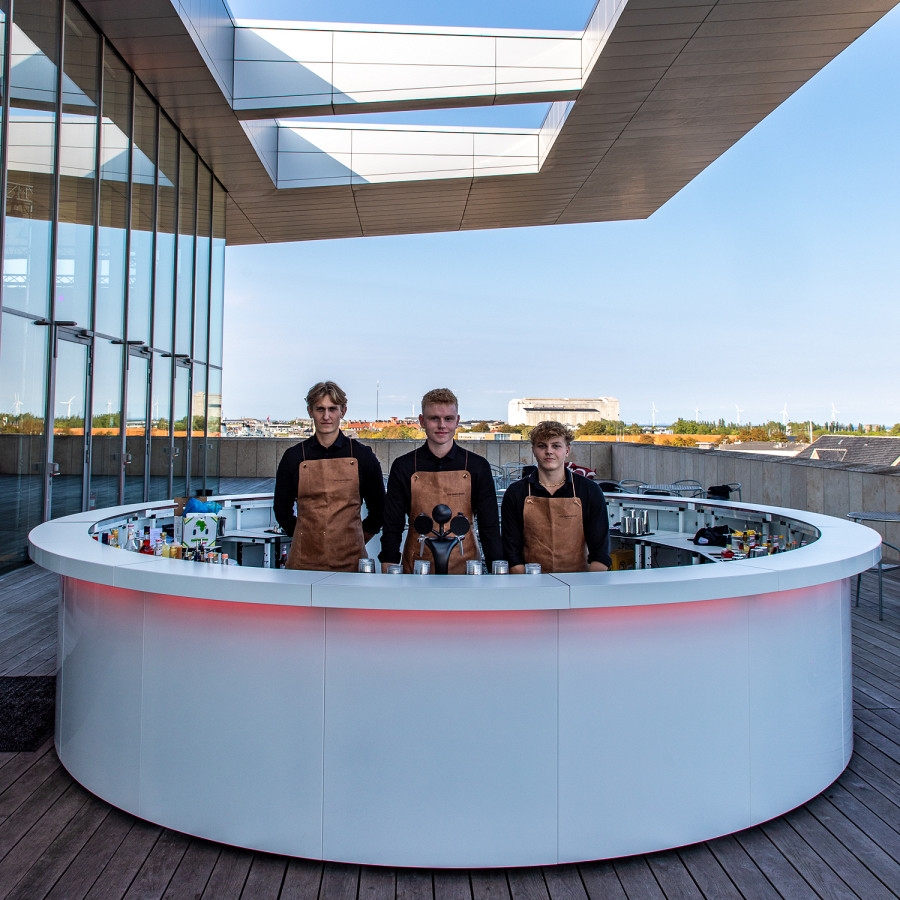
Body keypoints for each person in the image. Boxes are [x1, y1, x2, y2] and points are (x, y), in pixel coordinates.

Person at [380, 388, 502, 574]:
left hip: (467, 569)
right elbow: (393, 523)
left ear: (457, 421)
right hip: (416, 567)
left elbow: (489, 525)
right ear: (422, 421)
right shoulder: (404, 466)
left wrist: (497, 567)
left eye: (448, 419)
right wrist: (388, 560)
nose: (442, 425)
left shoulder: (477, 466)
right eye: (434, 418)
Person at [274, 381, 384, 571]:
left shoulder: (362, 456)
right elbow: (281, 509)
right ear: (310, 411)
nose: (326, 416)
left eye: (332, 409)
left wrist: (357, 539)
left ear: (343, 411)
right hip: (303, 562)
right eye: (320, 409)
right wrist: (305, 537)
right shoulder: (293, 457)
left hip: (351, 561)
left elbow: (380, 510)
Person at [501, 420, 611, 573]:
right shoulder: (516, 493)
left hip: (579, 583)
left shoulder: (589, 490)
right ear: (533, 450)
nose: (549, 451)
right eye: (542, 446)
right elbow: (512, 553)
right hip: (530, 583)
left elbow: (600, 553)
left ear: (567, 450)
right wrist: (524, 586)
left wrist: (588, 589)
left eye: (556, 446)